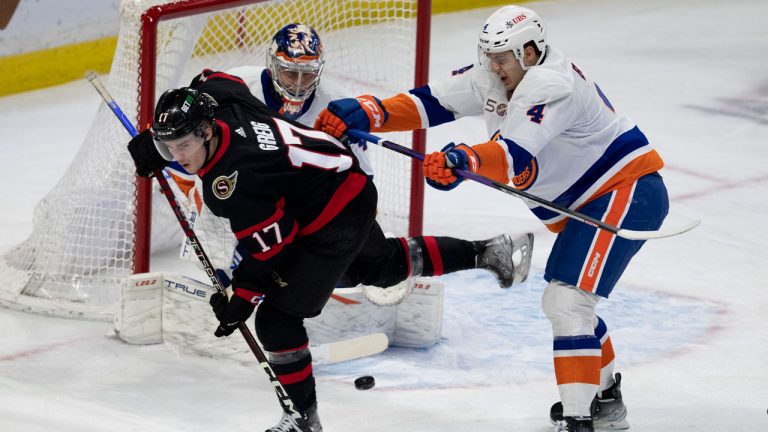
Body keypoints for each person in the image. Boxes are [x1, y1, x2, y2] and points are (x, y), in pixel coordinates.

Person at [315, 5, 669, 432]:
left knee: (567, 301)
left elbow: (512, 156)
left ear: (531, 51)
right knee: (571, 302)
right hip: (582, 205)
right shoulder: (496, 71)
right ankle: (605, 400)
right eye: (489, 56)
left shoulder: (550, 85)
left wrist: (462, 159)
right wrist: (370, 111)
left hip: (623, 191)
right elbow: (431, 102)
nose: (493, 65)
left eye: (502, 57)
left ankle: (581, 421)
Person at [126, 68, 530, 431]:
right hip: (342, 180)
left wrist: (243, 297)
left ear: (207, 131)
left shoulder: (231, 182)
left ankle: (303, 419)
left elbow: (275, 248)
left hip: (332, 218)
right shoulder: (221, 103)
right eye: (168, 148)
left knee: (277, 319)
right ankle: (489, 251)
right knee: (379, 266)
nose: (176, 157)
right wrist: (154, 142)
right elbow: (213, 79)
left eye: (182, 145)